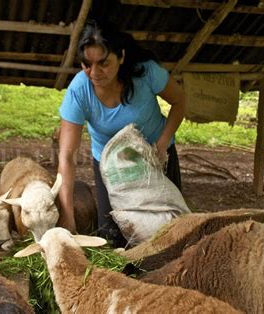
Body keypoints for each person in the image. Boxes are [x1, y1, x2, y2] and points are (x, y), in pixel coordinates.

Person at [56, 19, 186, 248]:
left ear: (121, 57)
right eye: (87, 64)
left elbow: (180, 101)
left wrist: (162, 144)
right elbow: (67, 157)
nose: (94, 72)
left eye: (103, 63)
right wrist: (67, 215)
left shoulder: (145, 73)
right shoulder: (79, 90)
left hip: (155, 156)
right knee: (113, 237)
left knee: (167, 229)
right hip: (109, 166)